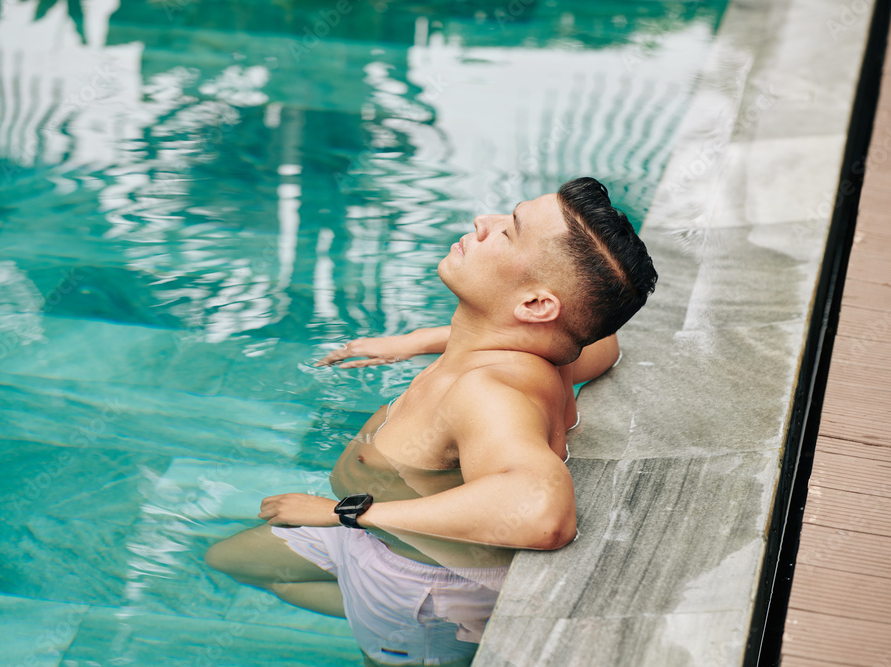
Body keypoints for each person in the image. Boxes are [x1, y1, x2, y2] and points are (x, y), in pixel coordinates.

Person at [204, 177, 658, 666]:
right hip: (378, 544)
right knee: (229, 559)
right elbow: (601, 344)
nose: (485, 222)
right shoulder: (547, 355)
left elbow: (543, 515)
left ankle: (416, 635)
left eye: (509, 232)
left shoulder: (487, 393)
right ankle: (369, 610)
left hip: (418, 587)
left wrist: (348, 513)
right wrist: (422, 339)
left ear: (534, 305)